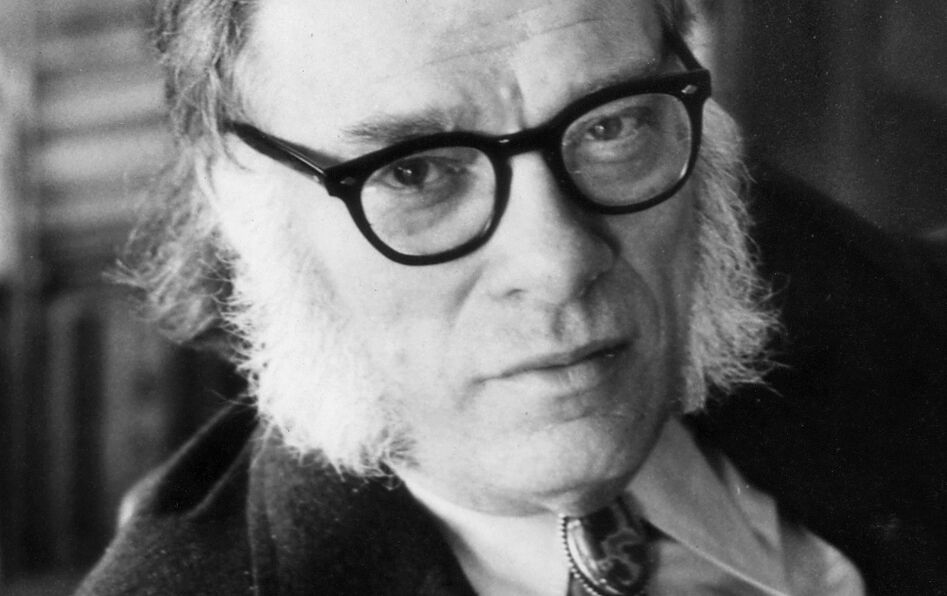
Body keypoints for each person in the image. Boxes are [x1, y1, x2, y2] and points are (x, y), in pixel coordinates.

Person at [77, 0, 947, 594]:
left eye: (609, 126)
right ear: (234, 198)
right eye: (413, 172)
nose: (558, 262)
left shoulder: (882, 305)